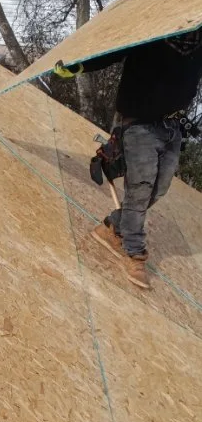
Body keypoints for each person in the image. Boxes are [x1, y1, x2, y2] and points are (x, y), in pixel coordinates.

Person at [54, 28, 202, 289]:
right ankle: (135, 252)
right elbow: (115, 46)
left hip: (172, 126)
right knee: (141, 187)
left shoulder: (198, 39)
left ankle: (113, 226)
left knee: (161, 186)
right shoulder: (155, 25)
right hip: (139, 122)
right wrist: (79, 64)